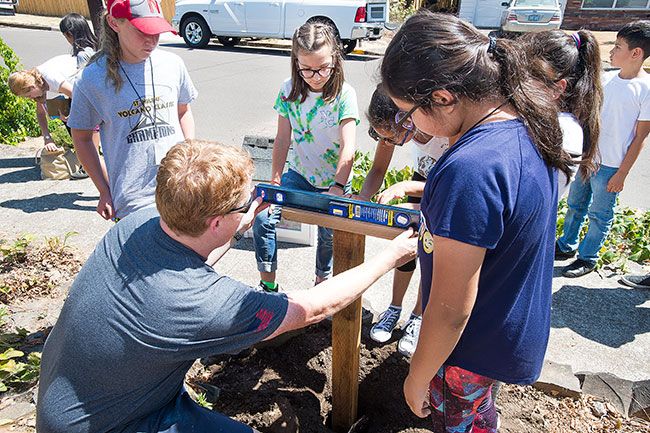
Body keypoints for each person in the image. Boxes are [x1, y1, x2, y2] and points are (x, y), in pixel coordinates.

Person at [35, 139, 417, 433]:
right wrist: (391, 257)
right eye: (244, 202)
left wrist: (236, 227)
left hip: (73, 401)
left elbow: (190, 254)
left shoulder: (134, 227)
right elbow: (312, 307)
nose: (251, 203)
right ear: (215, 222)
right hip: (113, 424)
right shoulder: (205, 304)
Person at [381, 11, 571, 431]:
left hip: (467, 348)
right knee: (479, 414)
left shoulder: (469, 167)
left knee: (460, 423)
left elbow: (450, 311)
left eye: (407, 112)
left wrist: (417, 374)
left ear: (444, 97)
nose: (409, 125)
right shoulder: (524, 123)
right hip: (500, 333)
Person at [68, 0, 197, 221]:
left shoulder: (173, 64)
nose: (152, 40)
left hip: (180, 189)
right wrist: (104, 190)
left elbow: (183, 111)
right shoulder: (92, 79)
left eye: (156, 31)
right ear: (114, 23)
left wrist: (191, 155)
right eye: (142, 31)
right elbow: (81, 138)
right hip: (133, 201)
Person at [253, 21, 358, 292]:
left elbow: (349, 146)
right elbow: (282, 139)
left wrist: (337, 185)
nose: (315, 76)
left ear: (335, 57)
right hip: (298, 176)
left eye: (323, 67)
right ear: (295, 61)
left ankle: (321, 283)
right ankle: (268, 285)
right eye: (307, 68)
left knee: (327, 234)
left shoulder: (344, 94)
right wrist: (275, 179)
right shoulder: (288, 91)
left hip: (334, 180)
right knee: (264, 218)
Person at [556, 21, 650, 278]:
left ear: (636, 53)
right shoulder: (607, 78)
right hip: (589, 158)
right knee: (575, 204)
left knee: (600, 214)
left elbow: (641, 137)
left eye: (618, 46)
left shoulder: (646, 89)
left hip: (611, 166)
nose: (611, 51)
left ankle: (588, 257)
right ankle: (566, 246)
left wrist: (622, 174)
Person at [360, 86, 448, 357]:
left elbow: (452, 183)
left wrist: (407, 188)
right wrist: (362, 202)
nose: (394, 144)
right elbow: (377, 169)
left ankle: (417, 317)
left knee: (431, 254)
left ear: (406, 118)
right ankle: (394, 308)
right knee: (408, 247)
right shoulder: (392, 126)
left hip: (444, 191)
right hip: (420, 181)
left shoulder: (444, 128)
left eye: (395, 139)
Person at [521, 29, 603, 198]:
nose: (515, 83)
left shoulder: (561, 131)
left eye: (525, 76)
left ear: (557, 88)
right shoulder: (552, 122)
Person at [8, 57, 77, 153]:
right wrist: (47, 137)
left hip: (84, 79)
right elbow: (40, 114)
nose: (31, 98)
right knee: (56, 110)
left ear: (32, 87)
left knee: (78, 124)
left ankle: (91, 156)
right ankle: (83, 154)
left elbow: (81, 98)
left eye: (28, 96)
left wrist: (73, 115)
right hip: (70, 91)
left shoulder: (51, 79)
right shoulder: (37, 84)